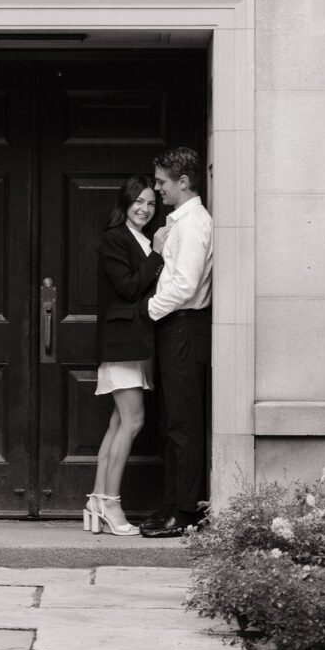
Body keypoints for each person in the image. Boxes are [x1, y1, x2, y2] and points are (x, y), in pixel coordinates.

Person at [139, 146, 213, 539]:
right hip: (175, 328)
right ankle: (172, 504)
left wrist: (147, 310)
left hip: (183, 327)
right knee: (171, 422)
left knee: (182, 423)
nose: (157, 188)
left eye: (162, 182)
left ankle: (185, 513)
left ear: (183, 182)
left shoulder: (193, 223)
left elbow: (184, 285)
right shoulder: (179, 222)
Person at [87, 175, 164, 536]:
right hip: (121, 344)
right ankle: (111, 502)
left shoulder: (143, 239)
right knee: (133, 422)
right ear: (125, 202)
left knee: (118, 423)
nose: (145, 209)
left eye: (151, 203)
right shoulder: (115, 238)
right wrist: (158, 254)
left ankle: (96, 500)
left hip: (135, 344)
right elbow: (130, 287)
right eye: (139, 201)